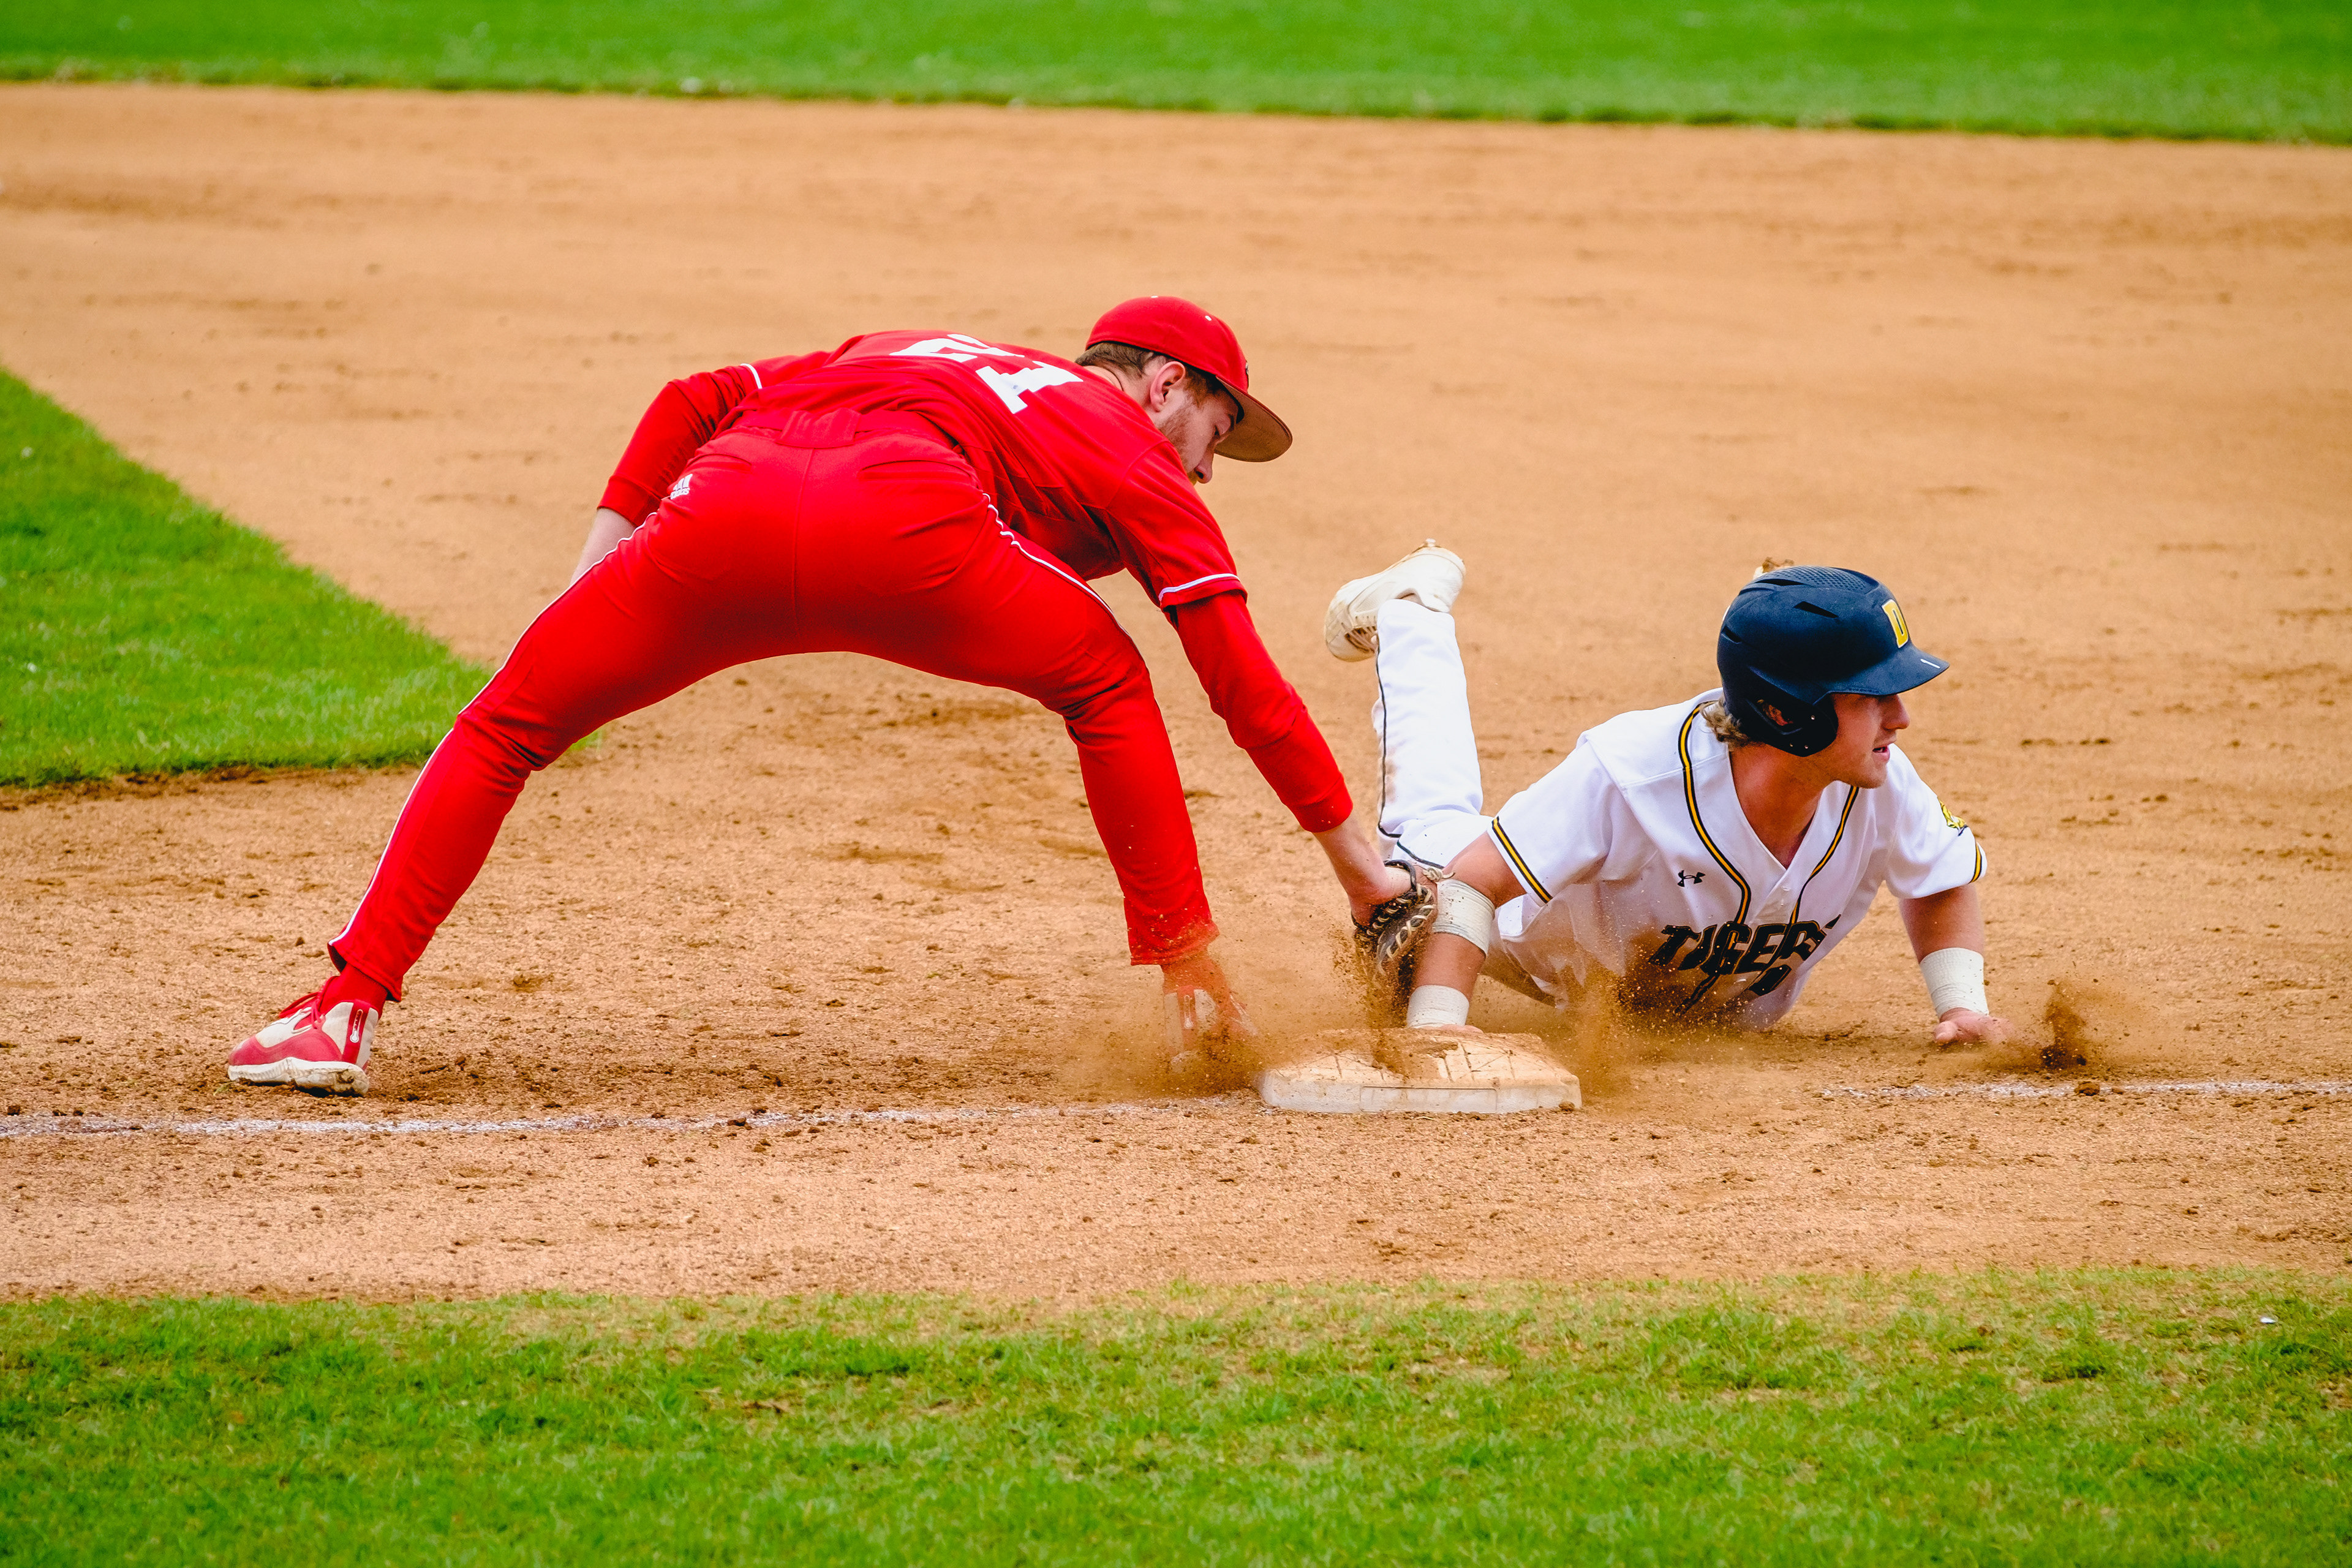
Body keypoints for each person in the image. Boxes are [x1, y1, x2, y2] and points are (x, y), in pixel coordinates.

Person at [228, 296, 1411, 1093]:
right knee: (1107, 678)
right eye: (1215, 426)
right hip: (912, 532)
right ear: (1162, 386)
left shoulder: (909, 348)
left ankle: (339, 1008)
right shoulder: (1123, 439)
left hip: (720, 518)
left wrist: (592, 586)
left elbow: (693, 396)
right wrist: (1363, 873)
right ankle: (1193, 985)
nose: (1208, 465)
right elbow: (1239, 684)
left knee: (506, 723)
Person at [1327, 545, 2010, 1044]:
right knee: (1429, 838)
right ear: (1785, 714)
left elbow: (1939, 877)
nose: (1901, 717)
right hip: (1525, 936)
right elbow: (1473, 884)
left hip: (1685, 1007)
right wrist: (1438, 1026)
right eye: (1871, 697)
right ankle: (1410, 610)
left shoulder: (1877, 776)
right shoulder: (1634, 774)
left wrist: (1962, 1007)